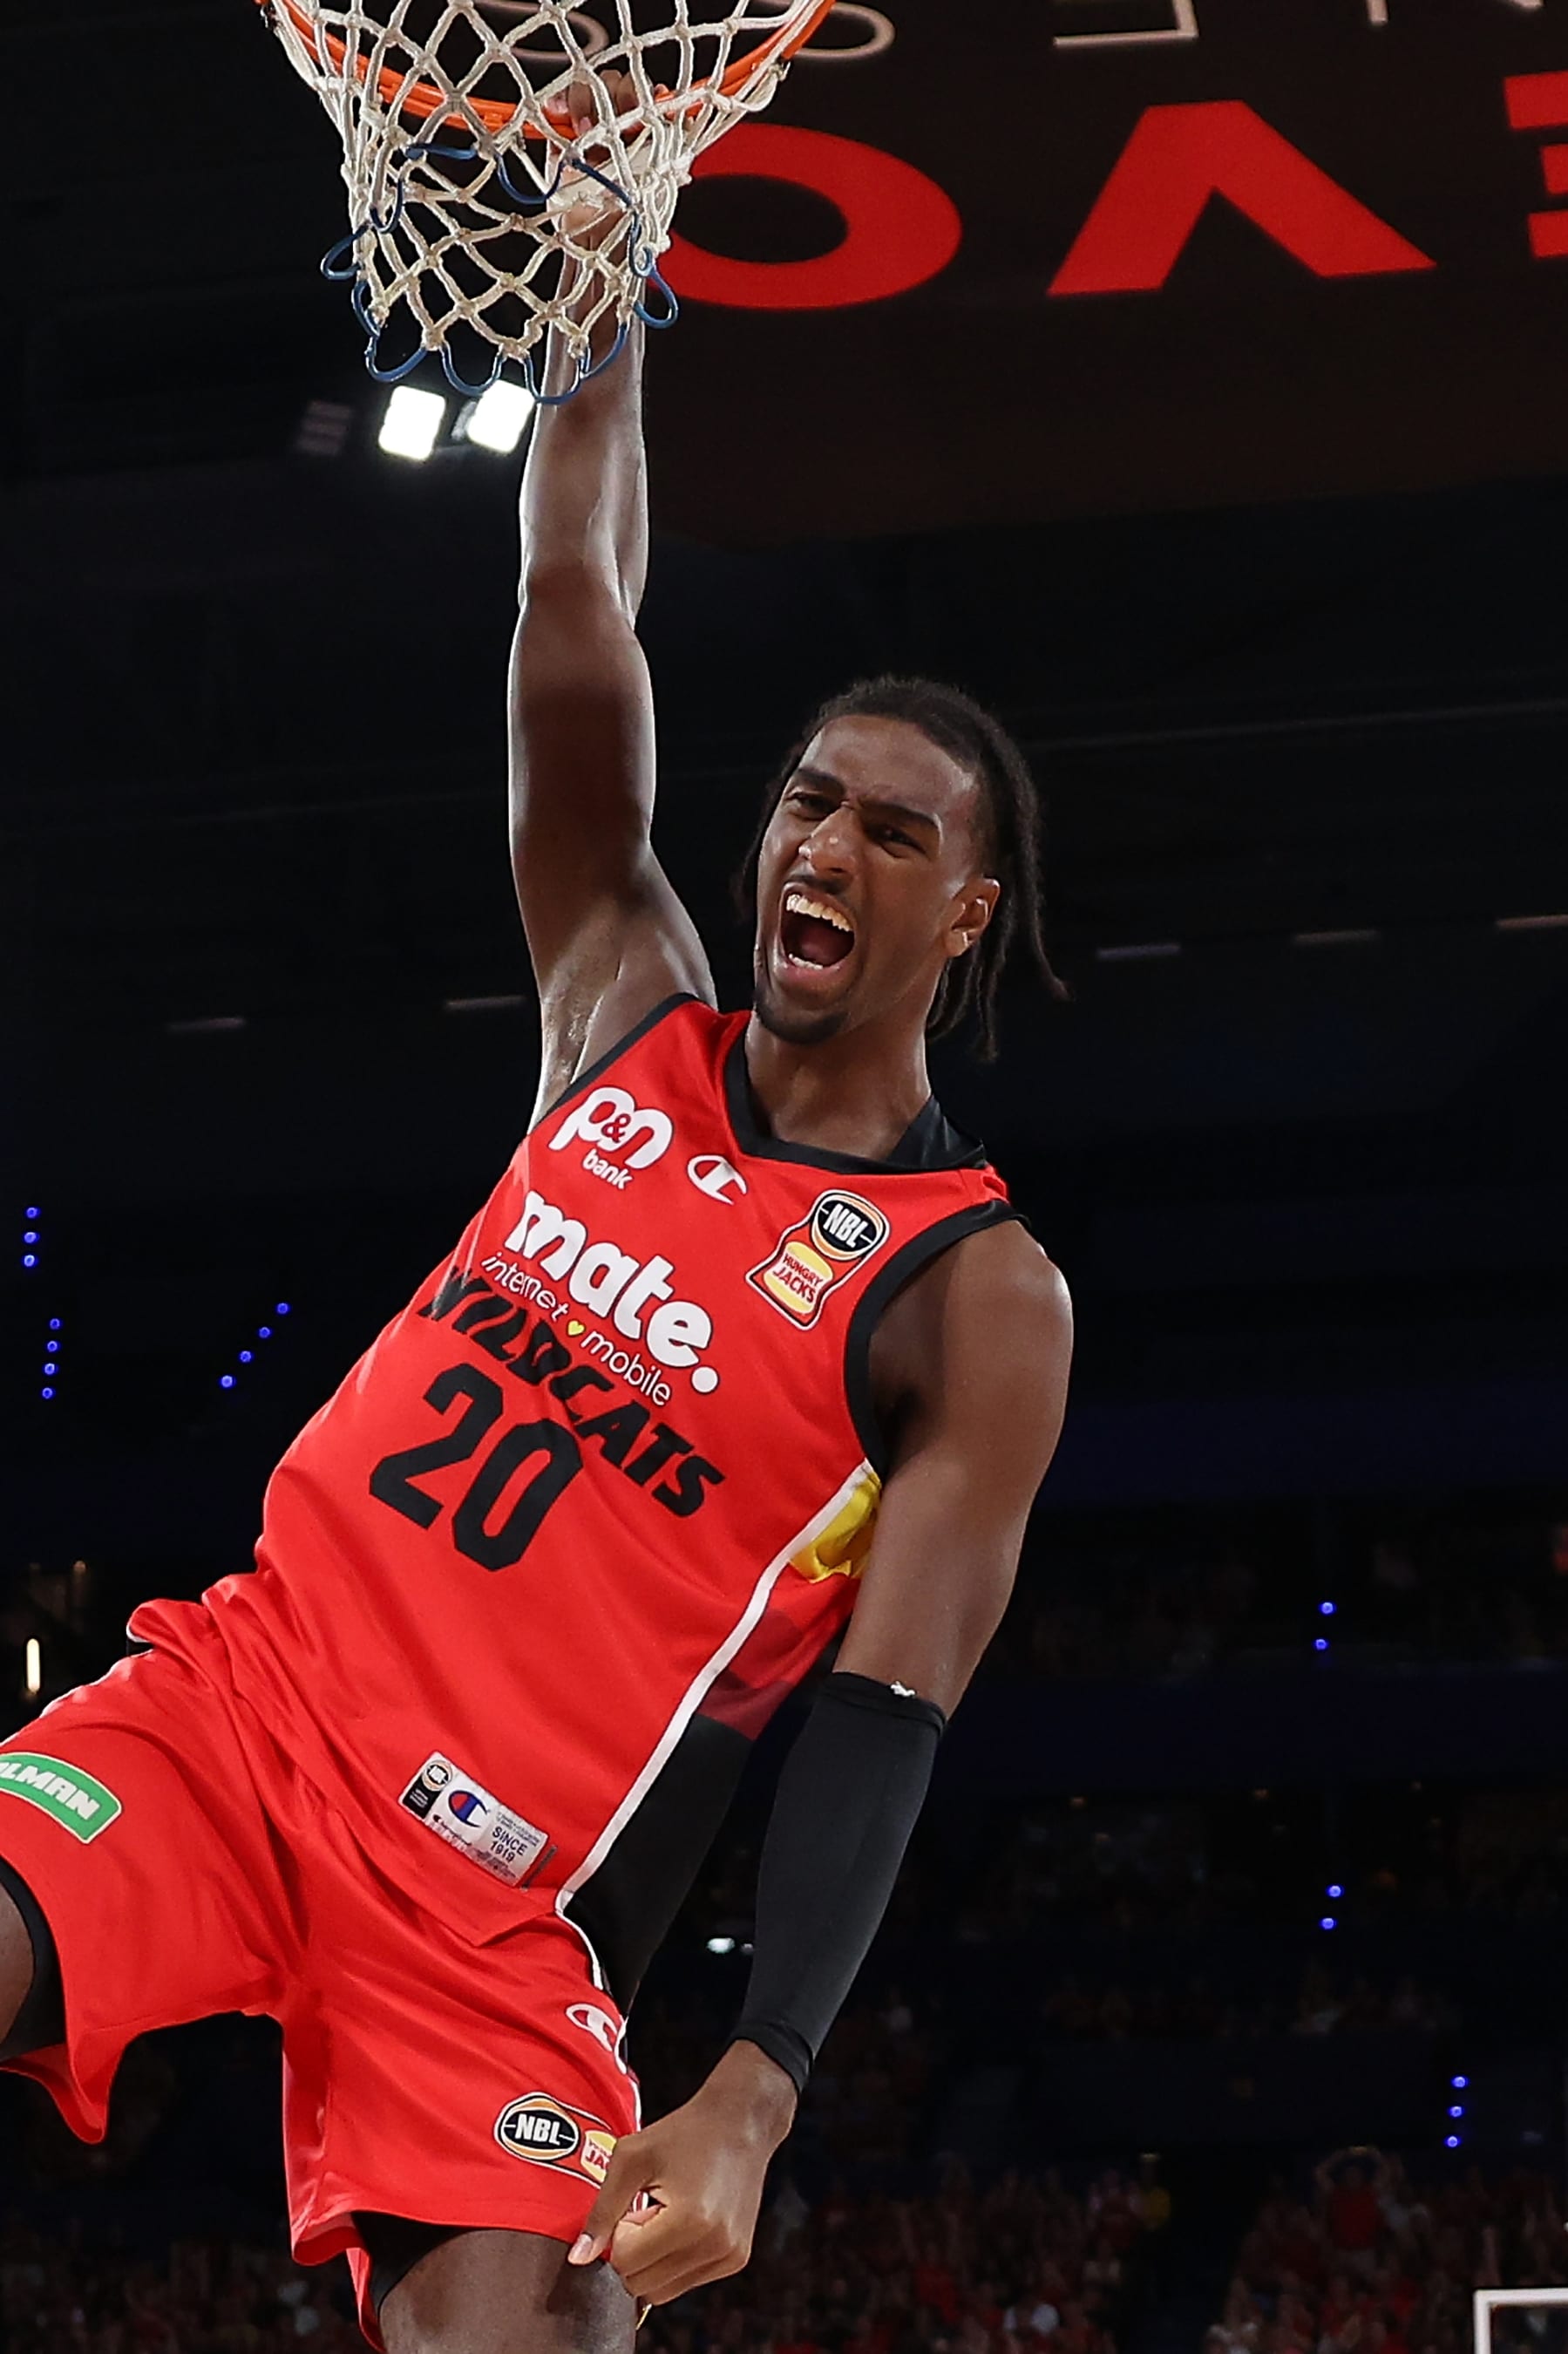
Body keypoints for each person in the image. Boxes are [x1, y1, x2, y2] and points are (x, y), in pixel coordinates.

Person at [0, 71, 1073, 2354]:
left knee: (549, 2335)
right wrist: (604, 288)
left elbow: (888, 1707)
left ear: (965, 910)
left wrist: (763, 2083)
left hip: (475, 1907)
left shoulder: (970, 1293)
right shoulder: (622, 1008)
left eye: (893, 831)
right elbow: (578, 602)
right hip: (239, 1702)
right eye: (806, 801)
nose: (822, 847)